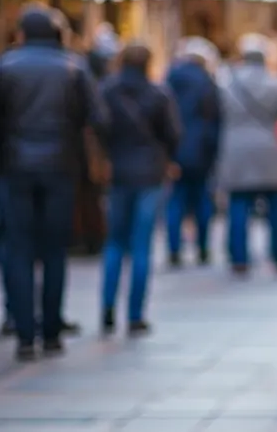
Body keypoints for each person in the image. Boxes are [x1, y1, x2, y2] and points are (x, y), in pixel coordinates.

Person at [0, 5, 109, 361]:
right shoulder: (73, 67)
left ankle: (24, 332)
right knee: (54, 248)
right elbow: (98, 117)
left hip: (15, 165)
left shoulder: (7, 67)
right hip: (61, 165)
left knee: (17, 246)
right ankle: (50, 330)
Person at [100, 43, 181, 336]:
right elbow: (173, 134)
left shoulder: (108, 91)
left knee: (114, 243)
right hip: (149, 172)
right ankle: (135, 314)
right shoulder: (158, 93)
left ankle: (107, 308)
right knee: (141, 245)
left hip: (119, 172)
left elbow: (99, 127)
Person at [216, 33, 277, 276]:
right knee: (275, 207)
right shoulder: (275, 83)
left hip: (236, 148)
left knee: (238, 204)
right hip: (268, 147)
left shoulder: (227, 83)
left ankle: (240, 258)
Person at [165, 38, 222, 267]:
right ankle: (203, 247)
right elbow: (215, 120)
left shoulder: (171, 78)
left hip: (176, 148)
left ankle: (174, 248)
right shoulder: (208, 82)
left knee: (176, 200)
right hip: (202, 149)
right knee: (201, 200)